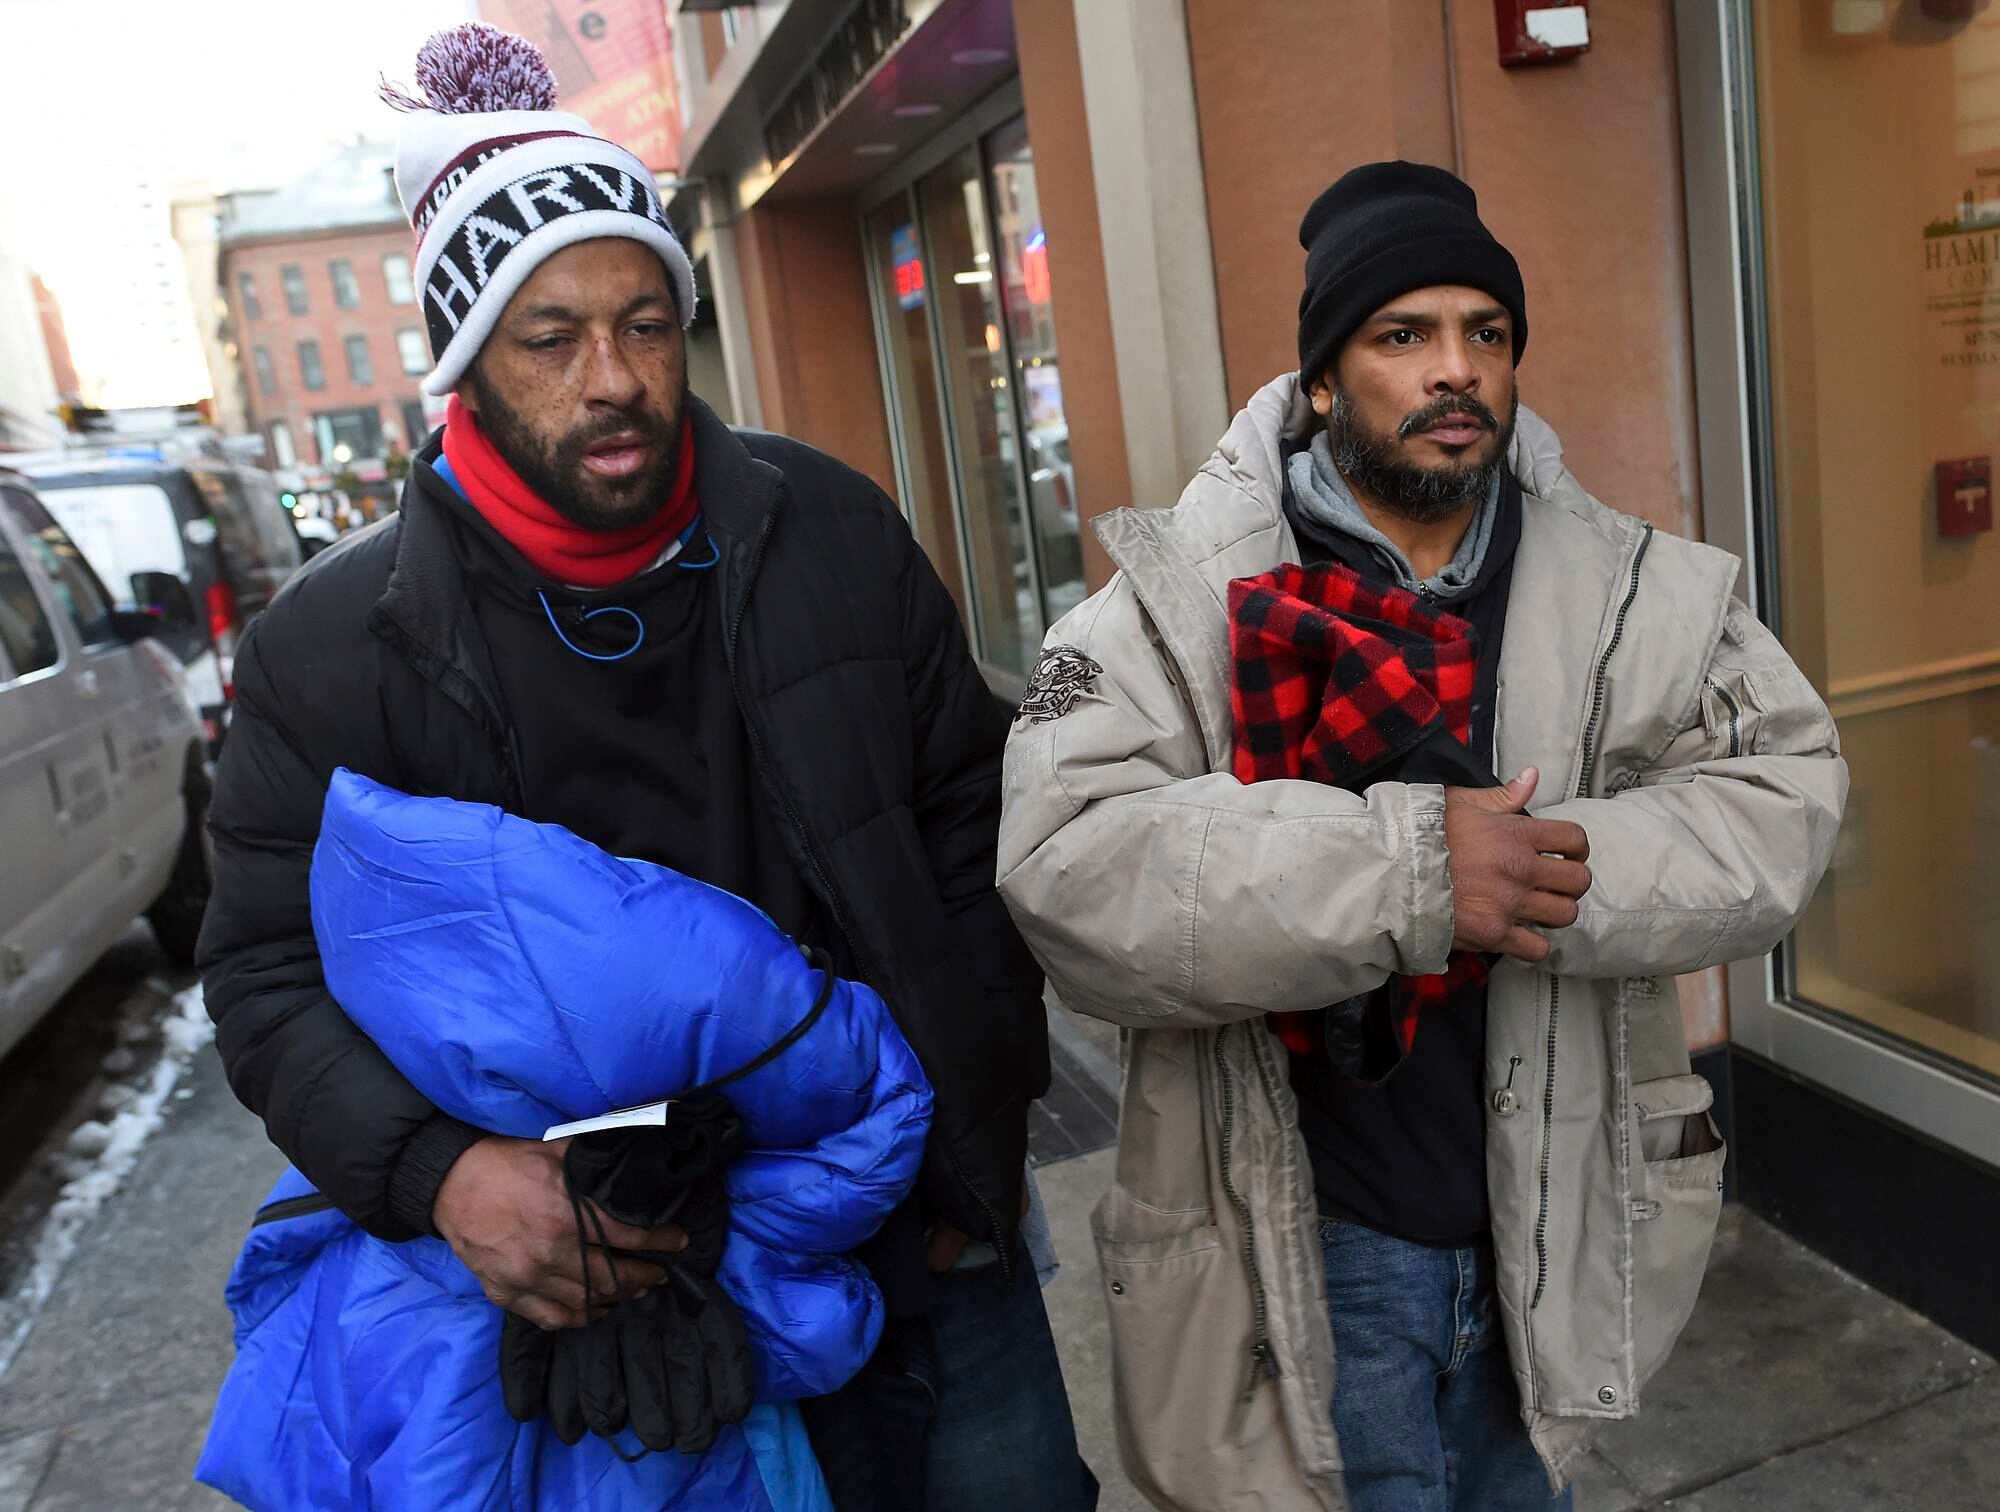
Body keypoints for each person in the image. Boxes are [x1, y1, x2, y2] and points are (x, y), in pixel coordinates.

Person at [197, 22, 1093, 1510]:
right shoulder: (334, 647)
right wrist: (443, 1178)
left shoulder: (831, 531)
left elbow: (974, 830)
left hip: (911, 1229)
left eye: (646, 323)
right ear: (468, 363)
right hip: (585, 1283)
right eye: (550, 339)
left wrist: (971, 1139)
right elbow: (264, 972)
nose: (613, 377)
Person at [996, 161, 1846, 1511]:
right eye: (1403, 334)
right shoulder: (1177, 603)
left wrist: (1545, 873)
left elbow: (1781, 796)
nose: (1457, 369)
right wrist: (1416, 874)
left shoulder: (1636, 592)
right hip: (1307, 1239)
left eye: (1485, 333)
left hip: (1552, 1217)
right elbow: (1070, 866)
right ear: (1321, 380)